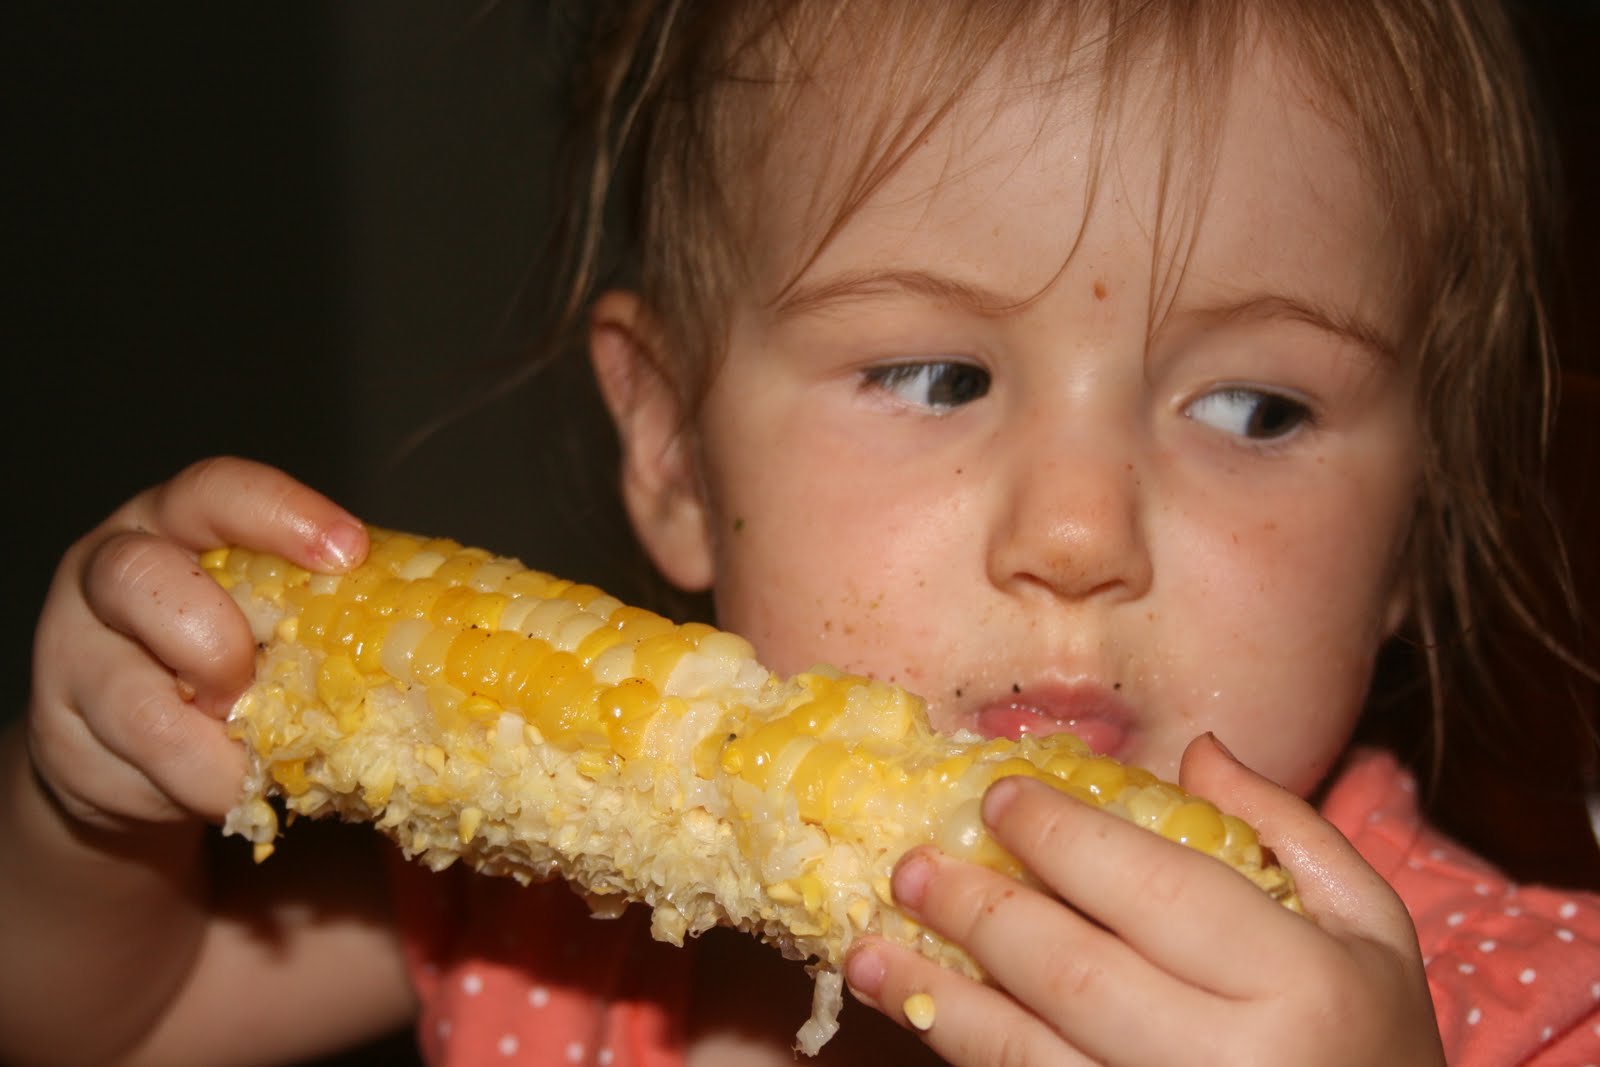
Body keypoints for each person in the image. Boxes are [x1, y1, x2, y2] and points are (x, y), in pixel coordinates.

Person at [3, 1, 1597, 1064]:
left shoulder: (1525, 1011)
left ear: (1417, 529)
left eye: (1255, 408)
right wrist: (87, 820)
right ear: (673, 452)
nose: (1076, 532)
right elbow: (96, 1020)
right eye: (936, 376)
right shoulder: (551, 935)